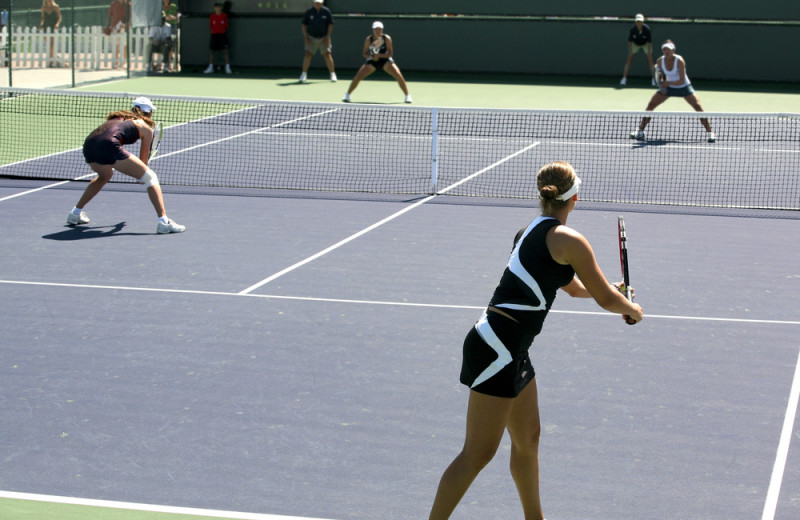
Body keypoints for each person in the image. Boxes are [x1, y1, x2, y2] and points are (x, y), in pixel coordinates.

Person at [428, 161, 643, 520]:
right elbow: (607, 300)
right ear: (575, 197)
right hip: (498, 349)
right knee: (478, 453)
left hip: (510, 348)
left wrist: (615, 292)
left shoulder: (530, 231)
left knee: (527, 441)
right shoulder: (570, 240)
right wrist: (633, 308)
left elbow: (577, 290)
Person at [66, 97, 185, 234]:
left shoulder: (117, 118)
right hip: (109, 145)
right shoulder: (145, 128)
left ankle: (75, 213)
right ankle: (164, 222)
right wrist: (142, 176)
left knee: (105, 176)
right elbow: (143, 162)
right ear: (149, 112)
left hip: (89, 146)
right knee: (151, 177)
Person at [630, 40, 715, 143]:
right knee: (651, 105)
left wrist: (667, 84)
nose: (666, 51)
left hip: (683, 86)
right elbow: (660, 78)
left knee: (698, 107)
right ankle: (640, 131)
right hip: (668, 87)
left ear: (673, 50)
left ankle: (710, 133)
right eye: (664, 49)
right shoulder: (660, 61)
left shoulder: (679, 61)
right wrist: (662, 87)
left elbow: (682, 80)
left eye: (669, 50)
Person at [342, 21, 412, 104]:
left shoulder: (387, 38)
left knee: (398, 75)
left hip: (385, 60)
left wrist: (379, 55)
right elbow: (365, 53)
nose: (378, 31)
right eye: (376, 29)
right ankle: (347, 95)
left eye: (379, 29)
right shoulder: (368, 39)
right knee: (358, 76)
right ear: (373, 30)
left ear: (382, 29)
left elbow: (390, 53)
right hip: (372, 61)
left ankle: (407, 95)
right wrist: (372, 57)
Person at [299, 0, 336, 83]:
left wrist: (327, 37)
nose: (317, 4)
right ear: (313, 3)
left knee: (327, 54)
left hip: (324, 38)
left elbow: (330, 24)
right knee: (308, 54)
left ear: (322, 3)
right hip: (311, 37)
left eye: (319, 3)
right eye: (316, 3)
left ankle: (332, 74)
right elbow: (304, 24)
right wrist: (306, 37)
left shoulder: (326, 11)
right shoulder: (309, 11)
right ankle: (303, 74)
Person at [620, 13, 654, 86]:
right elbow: (630, 41)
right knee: (629, 60)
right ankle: (624, 78)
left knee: (650, 60)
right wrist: (630, 51)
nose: (639, 23)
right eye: (637, 21)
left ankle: (654, 79)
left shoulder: (647, 29)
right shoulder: (633, 29)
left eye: (640, 21)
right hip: (635, 44)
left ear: (643, 22)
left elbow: (649, 42)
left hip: (645, 44)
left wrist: (649, 52)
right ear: (635, 22)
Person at [203, 2, 232, 74]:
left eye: (219, 7)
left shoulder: (224, 16)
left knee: (225, 51)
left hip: (222, 35)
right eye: (217, 7)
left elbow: (226, 26)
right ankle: (210, 67)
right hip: (214, 35)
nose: (218, 8)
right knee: (212, 51)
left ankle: (227, 67)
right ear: (214, 8)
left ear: (221, 8)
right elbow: (211, 26)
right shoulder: (212, 16)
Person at [105, 0, 129, 68]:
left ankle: (125, 62)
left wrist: (127, 25)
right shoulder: (113, 4)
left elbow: (130, 17)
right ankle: (116, 62)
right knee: (116, 45)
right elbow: (109, 15)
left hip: (124, 29)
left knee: (124, 46)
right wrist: (108, 26)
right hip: (114, 28)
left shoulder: (128, 5)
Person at [39, 0, 62, 67]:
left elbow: (59, 17)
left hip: (53, 27)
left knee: (52, 45)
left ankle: (51, 61)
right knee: (50, 46)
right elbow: (42, 18)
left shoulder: (56, 7)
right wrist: (41, 24)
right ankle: (57, 57)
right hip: (46, 27)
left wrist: (57, 24)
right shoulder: (43, 7)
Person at [161, 0, 179, 71]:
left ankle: (171, 62)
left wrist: (172, 17)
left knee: (171, 43)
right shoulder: (161, 7)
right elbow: (160, 17)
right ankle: (167, 63)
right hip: (164, 27)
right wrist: (165, 18)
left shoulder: (174, 6)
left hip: (173, 27)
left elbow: (177, 18)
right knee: (167, 44)